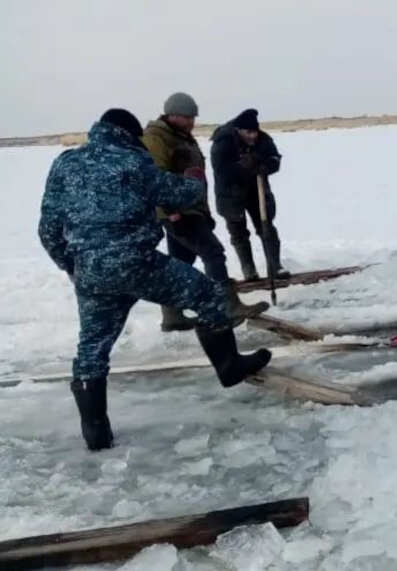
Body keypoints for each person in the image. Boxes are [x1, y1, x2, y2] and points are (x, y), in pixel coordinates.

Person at [37, 108, 273, 452]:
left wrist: (71, 266)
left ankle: (96, 432)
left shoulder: (65, 164)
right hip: (137, 264)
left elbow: (47, 229)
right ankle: (229, 366)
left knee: (91, 349)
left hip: (90, 272)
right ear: (127, 136)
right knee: (208, 294)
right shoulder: (132, 162)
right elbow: (181, 195)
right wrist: (195, 176)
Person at [142, 92, 268, 330]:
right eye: (186, 117)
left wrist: (203, 211)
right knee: (213, 253)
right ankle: (226, 306)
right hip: (179, 210)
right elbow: (155, 177)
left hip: (191, 208)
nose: (191, 122)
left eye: (193, 117)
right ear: (172, 115)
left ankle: (172, 315)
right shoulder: (156, 138)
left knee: (181, 262)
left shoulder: (181, 136)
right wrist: (171, 211)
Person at [210, 108, 291, 282]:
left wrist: (263, 166)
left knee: (266, 227)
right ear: (238, 130)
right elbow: (222, 170)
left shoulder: (263, 139)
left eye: (255, 132)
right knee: (238, 232)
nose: (253, 136)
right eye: (248, 133)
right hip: (230, 194)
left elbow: (274, 159)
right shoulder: (223, 141)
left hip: (257, 190)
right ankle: (249, 270)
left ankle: (275, 266)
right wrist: (243, 167)